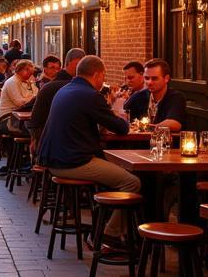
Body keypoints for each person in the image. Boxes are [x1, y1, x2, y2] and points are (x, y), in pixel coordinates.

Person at [35, 56, 141, 195]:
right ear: (96, 75)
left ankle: (102, 211)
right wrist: (116, 114)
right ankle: (109, 217)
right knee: (132, 182)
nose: (103, 80)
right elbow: (121, 128)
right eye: (103, 75)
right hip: (72, 162)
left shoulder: (65, 90)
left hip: (51, 159)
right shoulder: (90, 95)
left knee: (114, 169)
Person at [28, 48, 84, 150]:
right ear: (69, 63)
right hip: (59, 144)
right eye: (79, 65)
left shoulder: (51, 85)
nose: (81, 69)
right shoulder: (73, 87)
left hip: (43, 138)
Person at [120, 58, 187, 131]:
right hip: (140, 141)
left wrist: (147, 128)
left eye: (154, 78)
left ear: (166, 78)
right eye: (147, 78)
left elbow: (174, 124)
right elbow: (123, 116)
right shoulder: (138, 96)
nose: (149, 82)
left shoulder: (176, 97)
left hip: (166, 141)